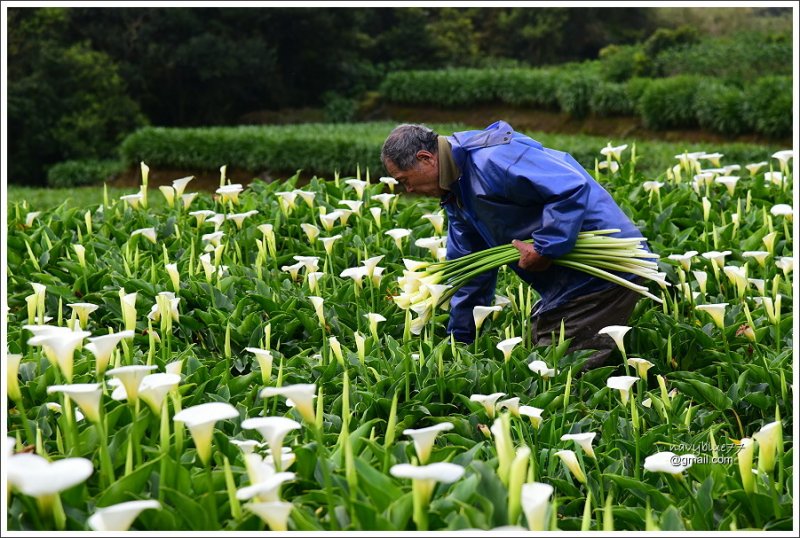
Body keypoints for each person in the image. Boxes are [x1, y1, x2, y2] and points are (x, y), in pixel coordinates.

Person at [381, 120, 648, 370]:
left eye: (404, 180)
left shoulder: (492, 159)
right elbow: (471, 274)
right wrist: (459, 341)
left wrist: (546, 247)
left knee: (558, 368)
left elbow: (569, 187)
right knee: (538, 353)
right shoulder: (456, 193)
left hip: (606, 266)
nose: (408, 191)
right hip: (569, 281)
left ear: (425, 159)